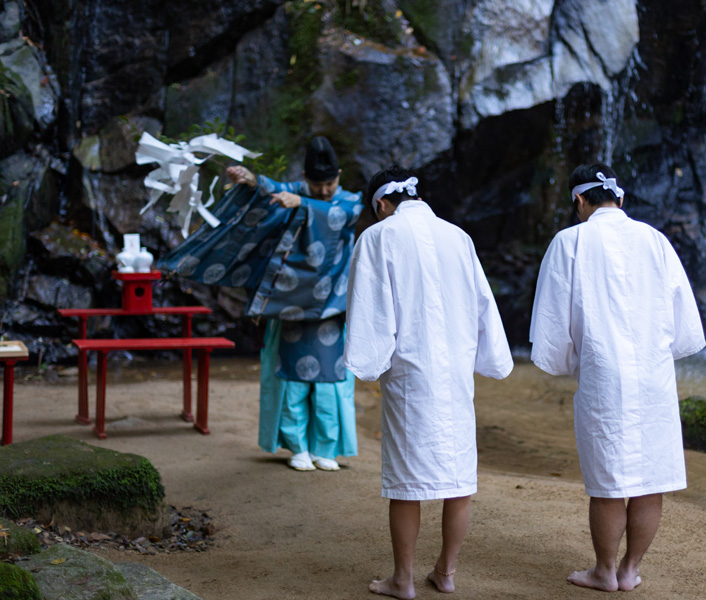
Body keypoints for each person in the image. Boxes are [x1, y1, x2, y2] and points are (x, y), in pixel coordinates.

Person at [529, 163, 705, 592]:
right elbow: (685, 323)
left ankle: (604, 571)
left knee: (608, 480)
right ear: (620, 200)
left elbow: (554, 322)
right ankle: (630, 569)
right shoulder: (655, 240)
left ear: (579, 201)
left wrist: (567, 361)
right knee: (651, 478)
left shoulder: (570, 241)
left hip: (604, 372)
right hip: (653, 372)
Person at [345, 166, 513, 599]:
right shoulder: (458, 237)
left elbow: (370, 309)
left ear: (380, 204)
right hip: (455, 373)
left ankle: (402, 580)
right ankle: (447, 572)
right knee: (458, 476)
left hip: (409, 373)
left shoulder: (378, 237)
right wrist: (490, 357)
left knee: (406, 480)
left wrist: (366, 363)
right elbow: (483, 303)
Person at [159, 136, 361, 472]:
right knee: (292, 382)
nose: (325, 190)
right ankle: (297, 447)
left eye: (330, 183)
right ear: (306, 177)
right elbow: (272, 191)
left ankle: (326, 448)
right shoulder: (298, 191)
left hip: (330, 306)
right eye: (317, 184)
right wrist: (254, 181)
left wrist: (303, 203)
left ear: (339, 175)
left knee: (329, 383)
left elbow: (341, 213)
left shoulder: (349, 201)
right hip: (289, 305)